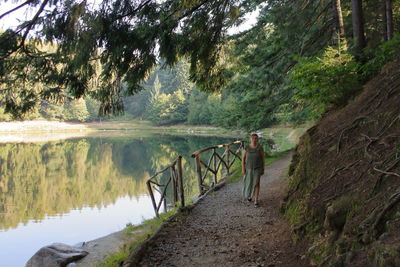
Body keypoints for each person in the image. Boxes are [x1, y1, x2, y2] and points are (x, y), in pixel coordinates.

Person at [241, 133, 265, 207]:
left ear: (257, 139)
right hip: (248, 168)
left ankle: (256, 200)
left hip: (257, 168)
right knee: (249, 183)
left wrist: (262, 168)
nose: (254, 140)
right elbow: (243, 159)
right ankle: (249, 197)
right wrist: (243, 168)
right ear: (250, 139)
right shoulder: (247, 148)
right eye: (252, 138)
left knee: (256, 184)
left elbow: (263, 159)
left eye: (255, 138)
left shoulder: (260, 148)